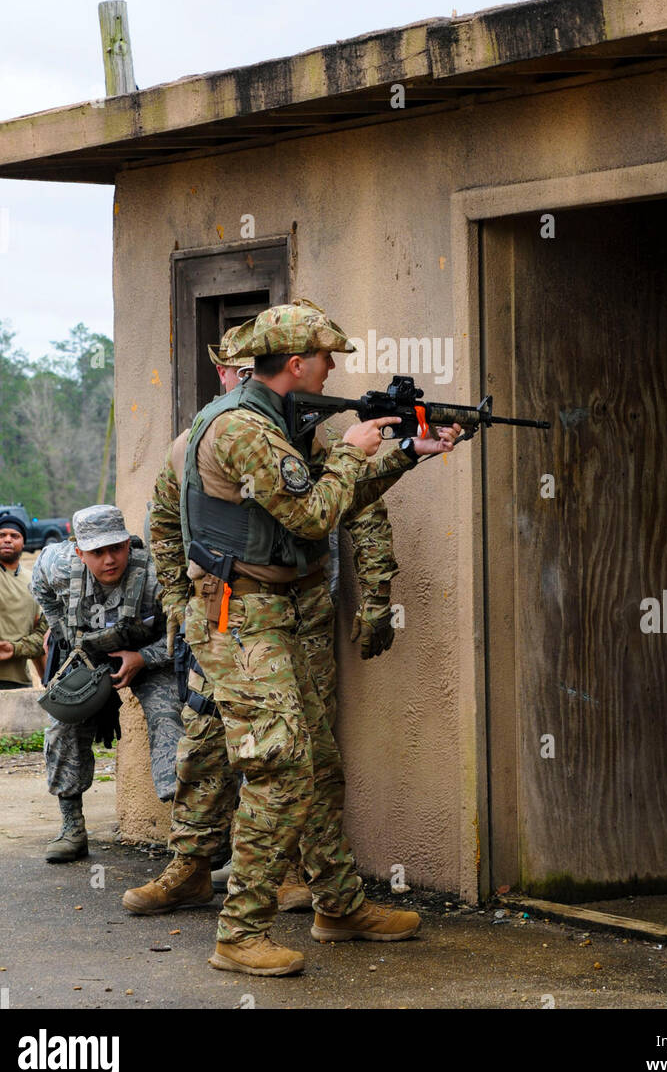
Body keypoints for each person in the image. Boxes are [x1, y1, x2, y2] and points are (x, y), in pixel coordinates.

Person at [127, 298, 460, 977]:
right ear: (298, 362)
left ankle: (336, 904)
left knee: (317, 762)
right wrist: (358, 451)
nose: (333, 369)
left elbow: (330, 500)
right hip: (237, 617)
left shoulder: (279, 422)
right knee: (278, 767)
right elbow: (311, 515)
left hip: (276, 614)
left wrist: (406, 455)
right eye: (326, 358)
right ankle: (240, 931)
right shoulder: (242, 430)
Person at [3, 505, 184, 862]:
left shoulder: (156, 576)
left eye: (116, 548)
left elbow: (186, 636)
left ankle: (190, 833)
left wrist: (142, 658)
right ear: (79, 552)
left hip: (150, 655)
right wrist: (61, 629)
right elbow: (38, 585)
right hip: (90, 655)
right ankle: (72, 827)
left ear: (127, 545)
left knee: (170, 721)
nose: (110, 559)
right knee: (61, 726)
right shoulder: (57, 564)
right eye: (97, 552)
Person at [0, 512, 46, 690]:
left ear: (23, 542)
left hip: (19, 681)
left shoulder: (33, 581)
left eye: (14, 536)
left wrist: (46, 682)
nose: (7, 539)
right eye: (1, 535)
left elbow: (39, 634)